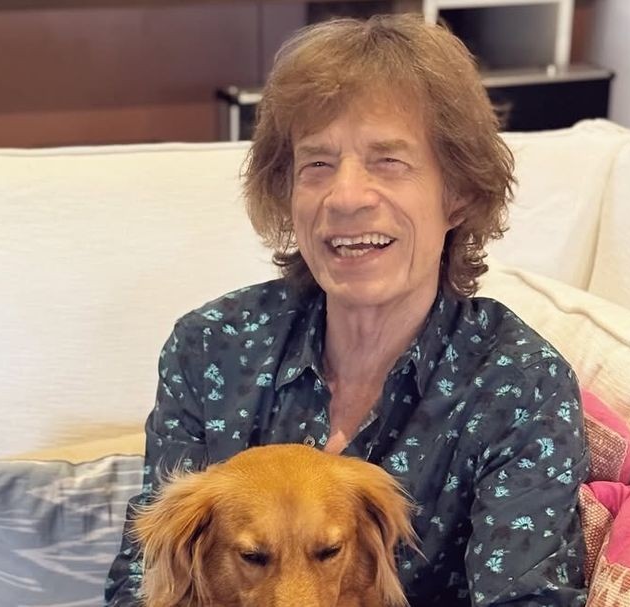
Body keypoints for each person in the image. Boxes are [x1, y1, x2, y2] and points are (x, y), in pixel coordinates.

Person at [106, 13, 588, 606]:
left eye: (389, 161)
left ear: (458, 193)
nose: (346, 197)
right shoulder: (211, 346)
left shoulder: (520, 383)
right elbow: (144, 580)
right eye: (317, 164)